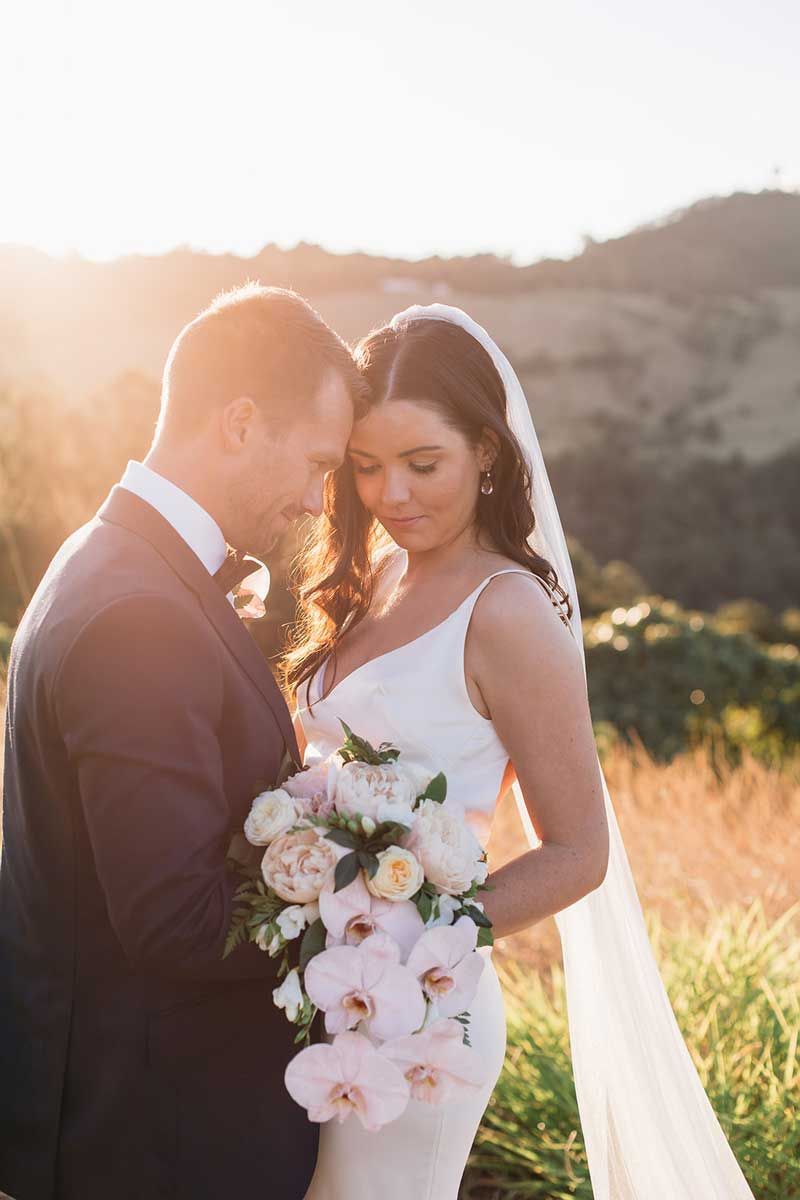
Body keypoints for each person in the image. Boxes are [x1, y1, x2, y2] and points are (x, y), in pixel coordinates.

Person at [283, 305, 757, 1200]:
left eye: (424, 465)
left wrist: (420, 936)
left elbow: (580, 852)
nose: (393, 495)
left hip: (422, 1007)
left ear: (488, 453)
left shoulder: (508, 612)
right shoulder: (379, 577)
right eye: (368, 467)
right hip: (324, 989)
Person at [0, 284, 362, 1200]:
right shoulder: (139, 614)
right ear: (240, 422)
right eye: (319, 463)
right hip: (156, 1147)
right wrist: (375, 905)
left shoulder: (110, 558)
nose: (322, 504)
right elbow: (176, 921)